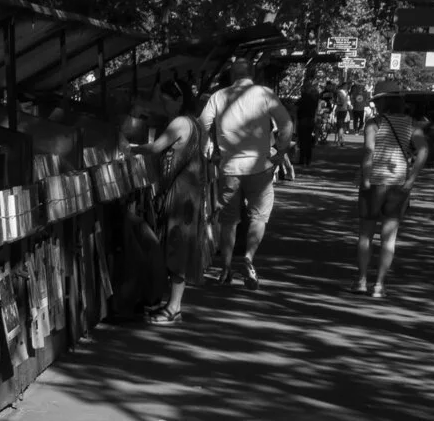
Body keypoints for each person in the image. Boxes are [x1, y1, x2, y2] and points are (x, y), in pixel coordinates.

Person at [198, 57, 296, 289]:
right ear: (253, 74)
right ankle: (249, 258)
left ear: (232, 75)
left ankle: (226, 267)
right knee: (258, 216)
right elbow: (287, 125)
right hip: (259, 168)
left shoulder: (218, 96)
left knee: (229, 220)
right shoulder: (265, 94)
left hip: (229, 168)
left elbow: (201, 126)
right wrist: (279, 153)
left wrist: (205, 154)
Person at [132, 81, 207, 323]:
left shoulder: (179, 123)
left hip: (182, 193)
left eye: (165, 101)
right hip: (190, 190)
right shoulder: (195, 123)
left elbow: (155, 148)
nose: (163, 107)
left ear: (177, 100)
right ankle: (172, 304)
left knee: (177, 245)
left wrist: (130, 149)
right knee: (178, 244)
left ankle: (174, 308)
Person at [357, 95, 429, 300]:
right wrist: (412, 178)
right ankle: (379, 285)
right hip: (398, 183)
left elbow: (368, 151)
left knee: (366, 234)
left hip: (374, 182)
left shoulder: (374, 123)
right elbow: (423, 150)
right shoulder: (412, 125)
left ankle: (361, 280)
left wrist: (366, 177)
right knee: (389, 237)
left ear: (383, 105)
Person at [295, 82, 322, 167]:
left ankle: (302, 159)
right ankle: (308, 159)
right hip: (310, 121)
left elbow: (295, 109)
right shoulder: (313, 100)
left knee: (302, 141)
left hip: (303, 121)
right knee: (308, 141)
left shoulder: (302, 99)